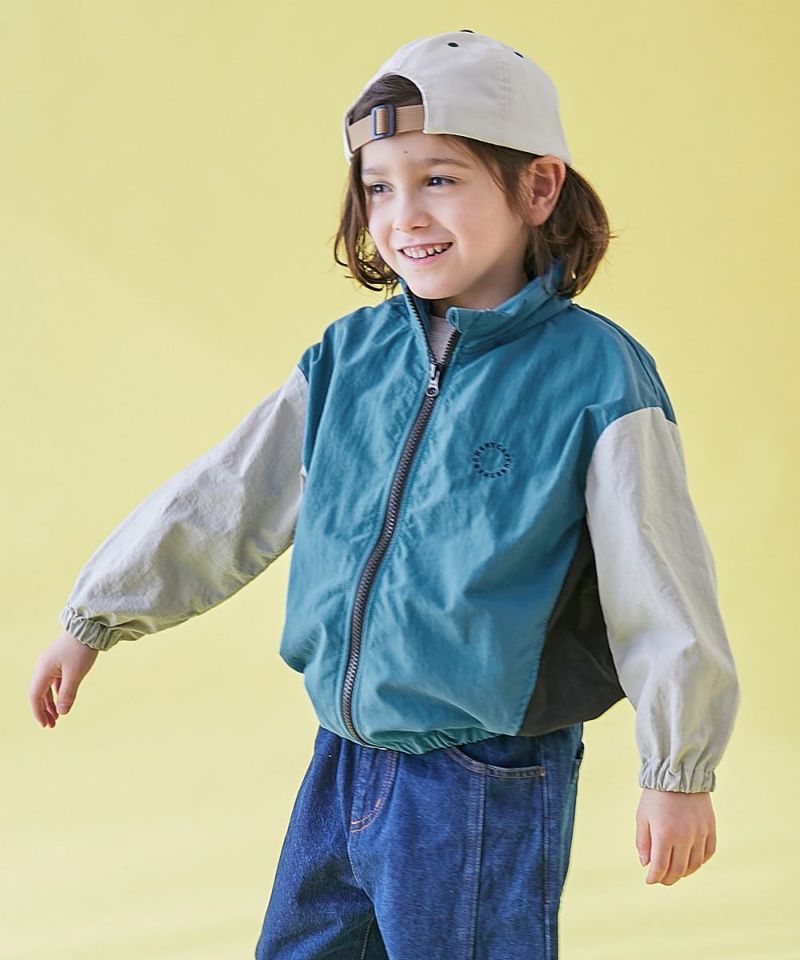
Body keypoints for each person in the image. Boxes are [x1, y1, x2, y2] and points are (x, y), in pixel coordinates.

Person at [28, 28, 740, 960]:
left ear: (538, 187)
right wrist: (97, 615)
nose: (404, 215)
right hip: (343, 757)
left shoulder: (597, 377)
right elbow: (226, 499)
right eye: (378, 187)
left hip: (483, 778)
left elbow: (660, 579)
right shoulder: (347, 360)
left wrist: (679, 768)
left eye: (440, 178)